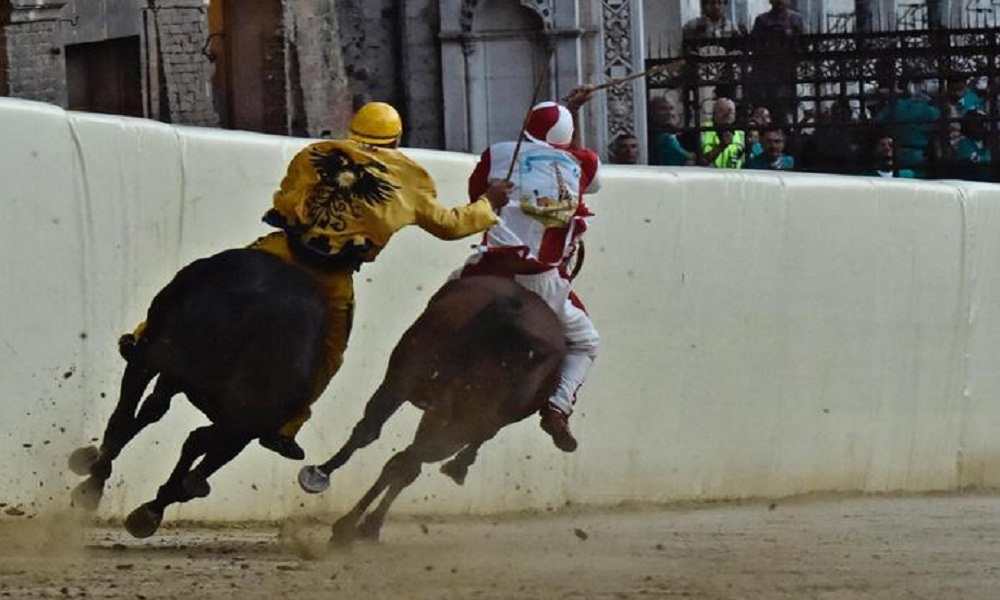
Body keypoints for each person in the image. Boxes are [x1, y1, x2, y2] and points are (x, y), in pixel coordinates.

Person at [121, 102, 513, 460]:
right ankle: (288, 423)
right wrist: (488, 205)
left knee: (205, 275)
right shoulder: (411, 178)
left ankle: (143, 337)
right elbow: (449, 226)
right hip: (332, 277)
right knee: (329, 352)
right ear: (396, 139)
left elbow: (286, 197)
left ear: (353, 130)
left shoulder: (316, 154)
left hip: (282, 250)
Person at [453, 86, 602, 453]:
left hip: (489, 267)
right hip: (541, 282)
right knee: (586, 341)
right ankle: (558, 406)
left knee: (447, 299)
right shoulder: (581, 164)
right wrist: (573, 113)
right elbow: (587, 173)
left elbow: (476, 198)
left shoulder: (497, 154)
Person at [749, 0, 806, 126]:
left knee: (787, 113)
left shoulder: (796, 20)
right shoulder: (762, 20)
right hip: (766, 75)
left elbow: (803, 46)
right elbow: (754, 47)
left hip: (789, 74)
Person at [700, 97, 745, 169]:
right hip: (709, 177)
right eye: (722, 110)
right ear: (714, 113)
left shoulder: (741, 134)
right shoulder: (703, 130)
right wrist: (721, 146)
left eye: (730, 111)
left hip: (735, 177)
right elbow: (698, 161)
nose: (726, 114)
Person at [649, 97, 694, 167]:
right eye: (663, 109)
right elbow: (689, 157)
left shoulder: (674, 134)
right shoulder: (664, 138)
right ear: (652, 112)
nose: (669, 113)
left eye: (671, 108)